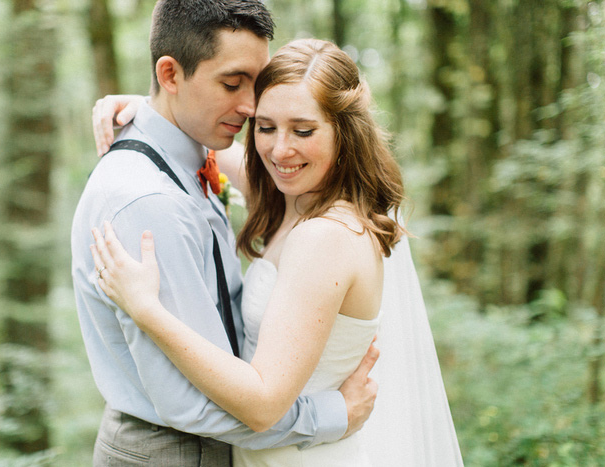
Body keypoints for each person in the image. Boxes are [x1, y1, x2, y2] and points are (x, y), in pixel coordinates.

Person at [90, 39, 464, 466]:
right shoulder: (291, 197)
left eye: (303, 131)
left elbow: (264, 403)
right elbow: (206, 141)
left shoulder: (324, 237)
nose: (280, 150)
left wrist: (146, 310)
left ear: (345, 133)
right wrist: (150, 106)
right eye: (266, 127)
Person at [71, 2, 380, 466]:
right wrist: (330, 413)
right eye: (233, 84)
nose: (253, 107)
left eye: (256, 84)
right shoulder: (150, 201)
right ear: (171, 75)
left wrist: (143, 106)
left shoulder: (200, 161)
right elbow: (189, 403)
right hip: (174, 451)